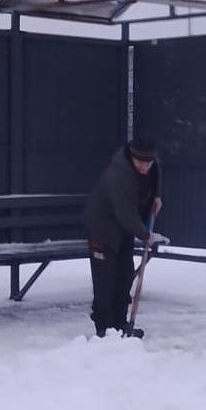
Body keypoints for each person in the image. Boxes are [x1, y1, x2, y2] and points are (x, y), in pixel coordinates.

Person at [84, 136, 162, 338]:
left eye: (149, 162)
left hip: (122, 233)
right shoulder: (119, 176)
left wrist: (157, 196)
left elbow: (156, 173)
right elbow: (126, 215)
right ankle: (103, 330)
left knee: (124, 278)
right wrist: (146, 235)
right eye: (141, 163)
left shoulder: (150, 163)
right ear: (132, 158)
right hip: (102, 232)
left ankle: (119, 325)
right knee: (105, 283)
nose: (145, 167)